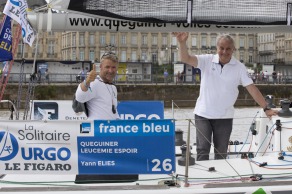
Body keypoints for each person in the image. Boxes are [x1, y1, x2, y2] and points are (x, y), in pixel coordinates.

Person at [173, 32, 278, 161]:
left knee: (221, 152)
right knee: (202, 149)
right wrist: (182, 42)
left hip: (225, 117)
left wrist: (266, 108)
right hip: (203, 114)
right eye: (221, 48)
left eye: (228, 48)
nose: (224, 51)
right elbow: (186, 58)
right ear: (217, 48)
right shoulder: (207, 60)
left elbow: (252, 88)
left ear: (233, 49)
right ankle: (203, 180)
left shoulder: (239, 67)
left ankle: (220, 181)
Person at [75, 52, 119, 120]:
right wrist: (87, 81)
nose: (110, 71)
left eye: (113, 67)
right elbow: (79, 97)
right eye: (107, 67)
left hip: (110, 129)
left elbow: (112, 112)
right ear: (101, 67)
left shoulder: (113, 87)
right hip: (97, 129)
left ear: (117, 68)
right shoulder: (94, 83)